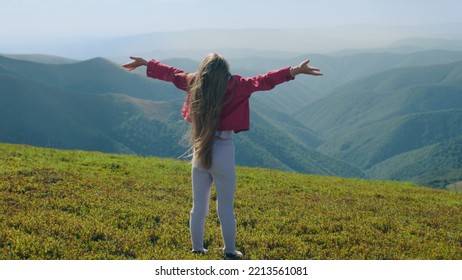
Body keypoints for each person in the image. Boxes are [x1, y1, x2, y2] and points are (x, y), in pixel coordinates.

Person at [122, 53, 322, 259]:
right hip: (224, 150)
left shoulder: (194, 82)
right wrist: (295, 70)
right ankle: (230, 251)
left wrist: (146, 64)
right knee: (225, 207)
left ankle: (197, 248)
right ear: (226, 70)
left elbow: (172, 74)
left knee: (198, 206)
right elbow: (265, 80)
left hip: (200, 149)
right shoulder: (238, 86)